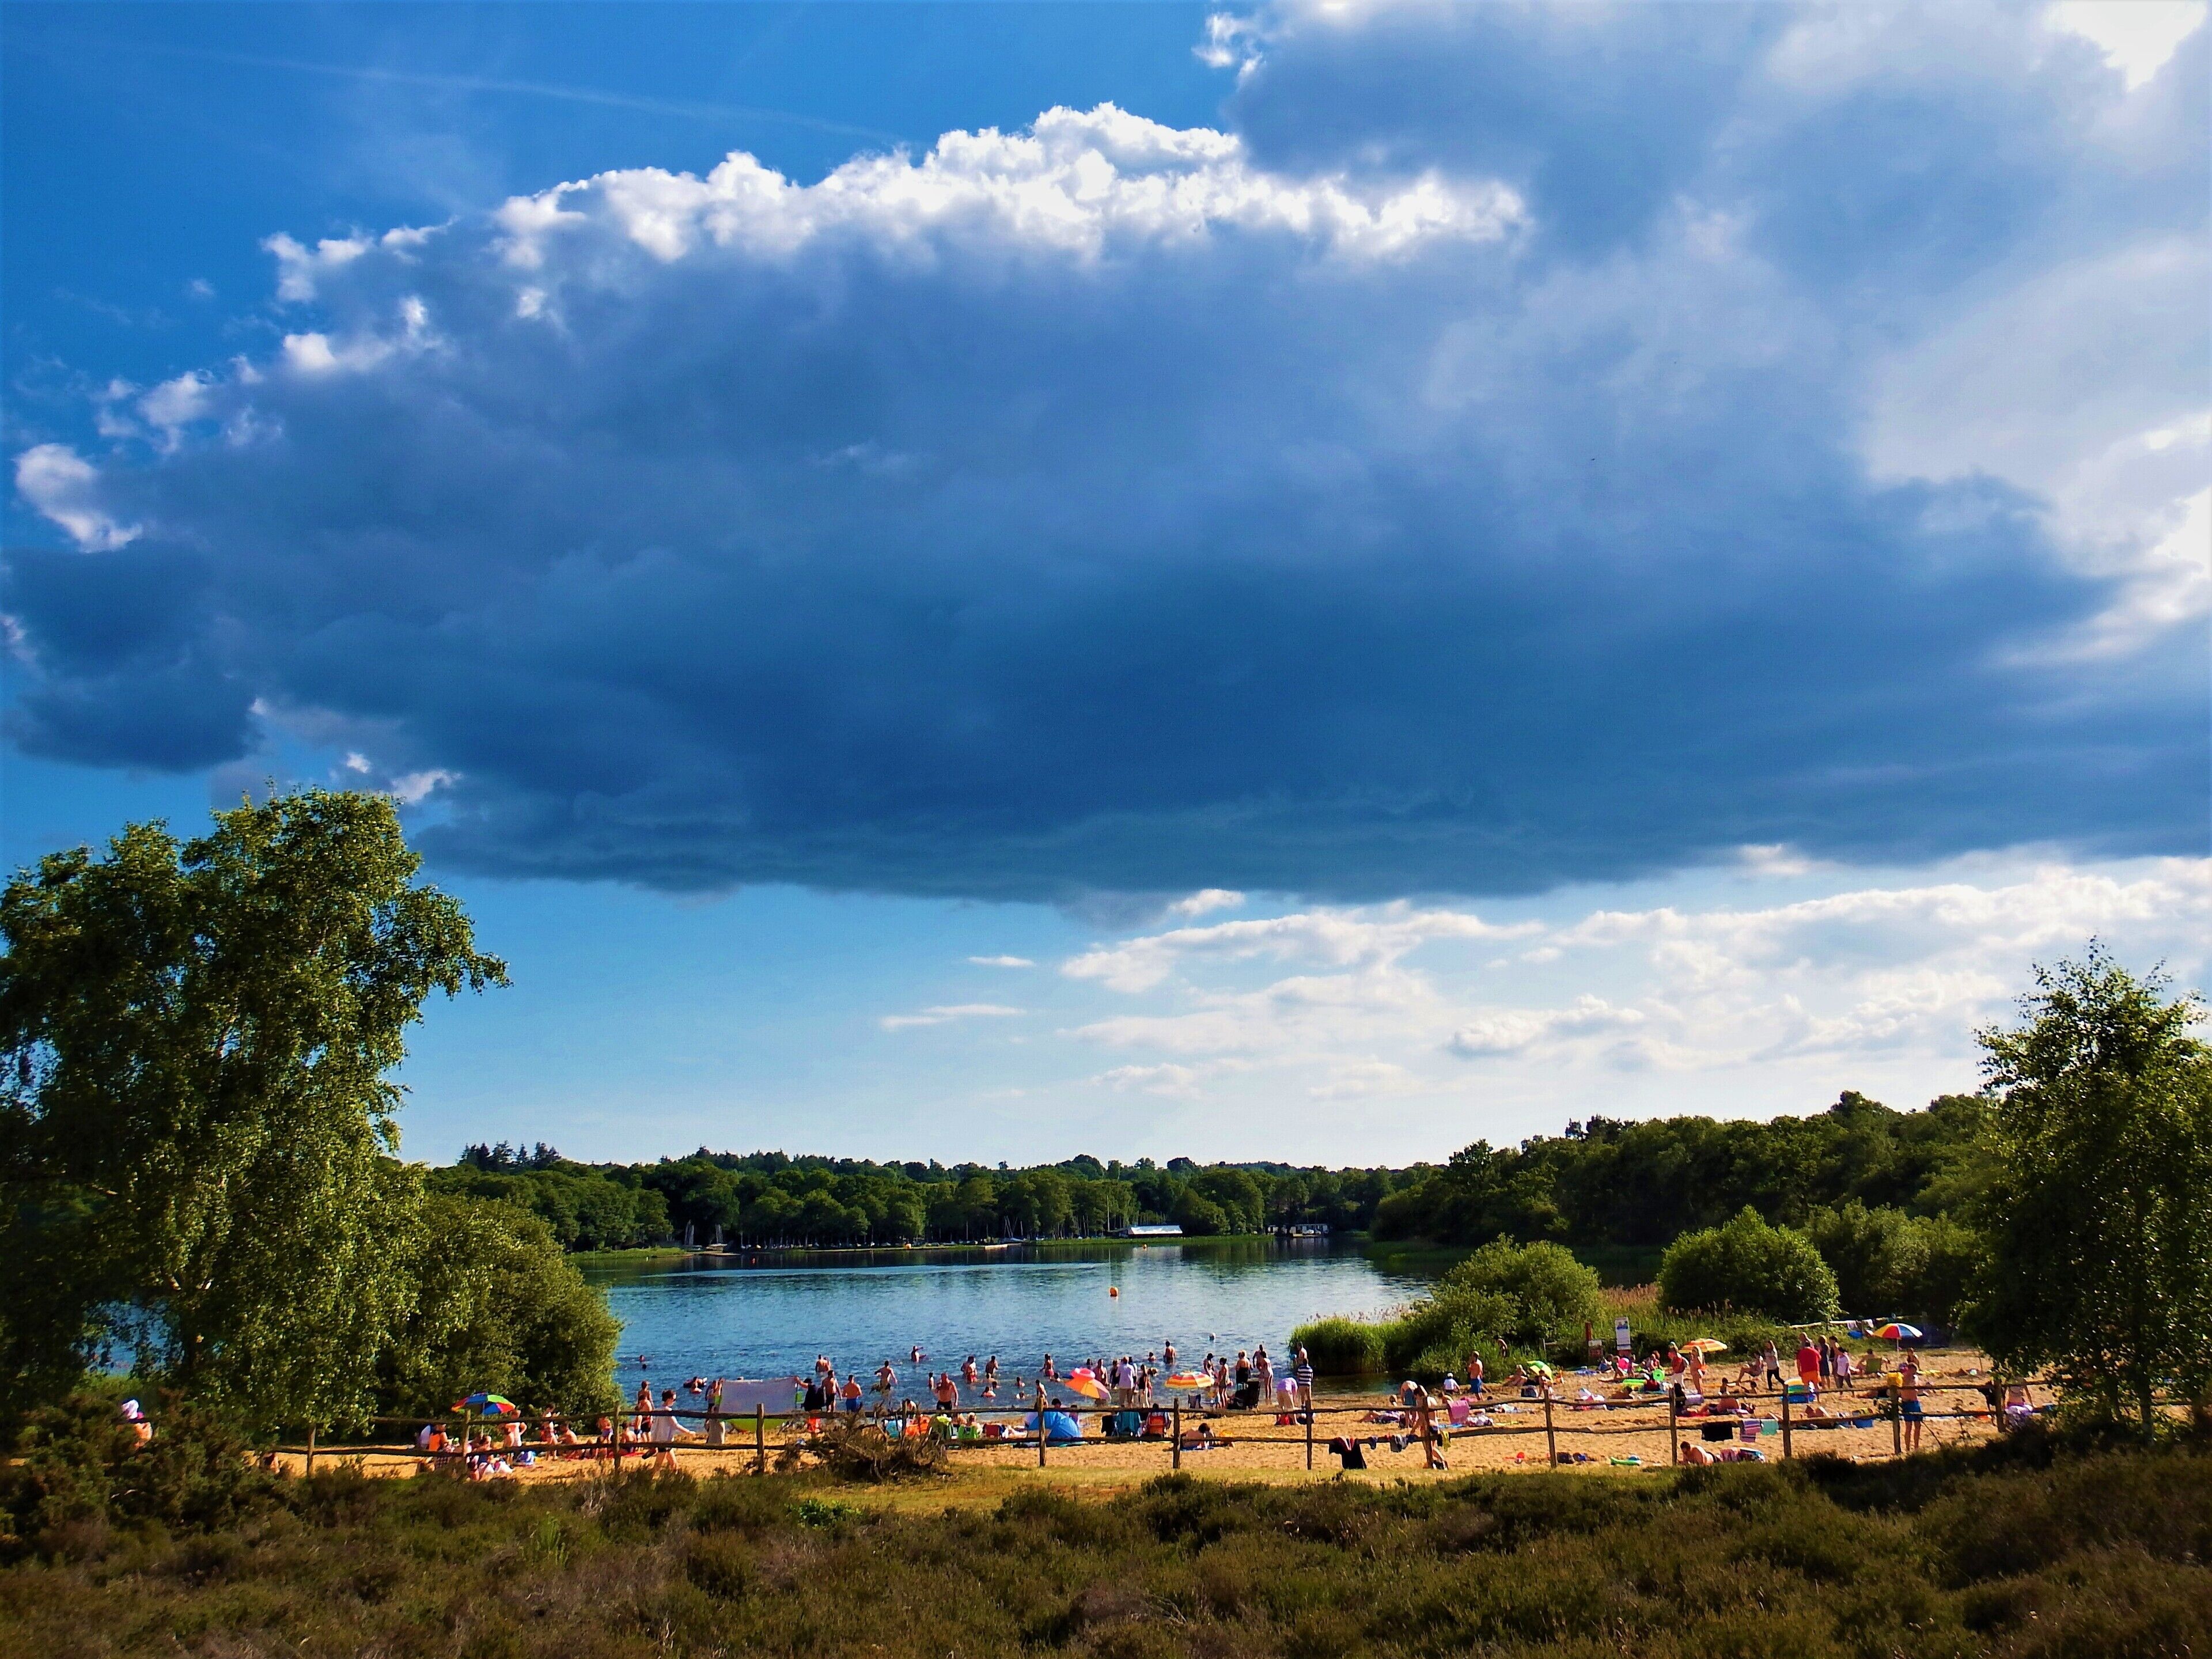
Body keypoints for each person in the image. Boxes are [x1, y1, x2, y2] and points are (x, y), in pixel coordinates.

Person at [650, 1388, 692, 1471]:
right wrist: (688, 1432)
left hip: (663, 1440)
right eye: (674, 1399)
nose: (674, 1401)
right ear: (669, 1399)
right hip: (665, 1441)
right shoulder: (668, 1411)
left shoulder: (658, 1410)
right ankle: (648, 1481)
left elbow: (656, 1426)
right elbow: (676, 1425)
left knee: (674, 1465)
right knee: (658, 1465)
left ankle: (675, 1480)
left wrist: (653, 1440)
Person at [1898, 1353, 1924, 1452]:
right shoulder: (1903, 1378)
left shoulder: (1916, 1378)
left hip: (1916, 1403)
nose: (1914, 1373)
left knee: (1918, 1426)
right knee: (1909, 1427)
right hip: (1907, 1403)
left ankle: (1916, 1447)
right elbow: (1901, 1390)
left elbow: (1919, 1388)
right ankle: (1908, 1448)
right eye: (1913, 1371)